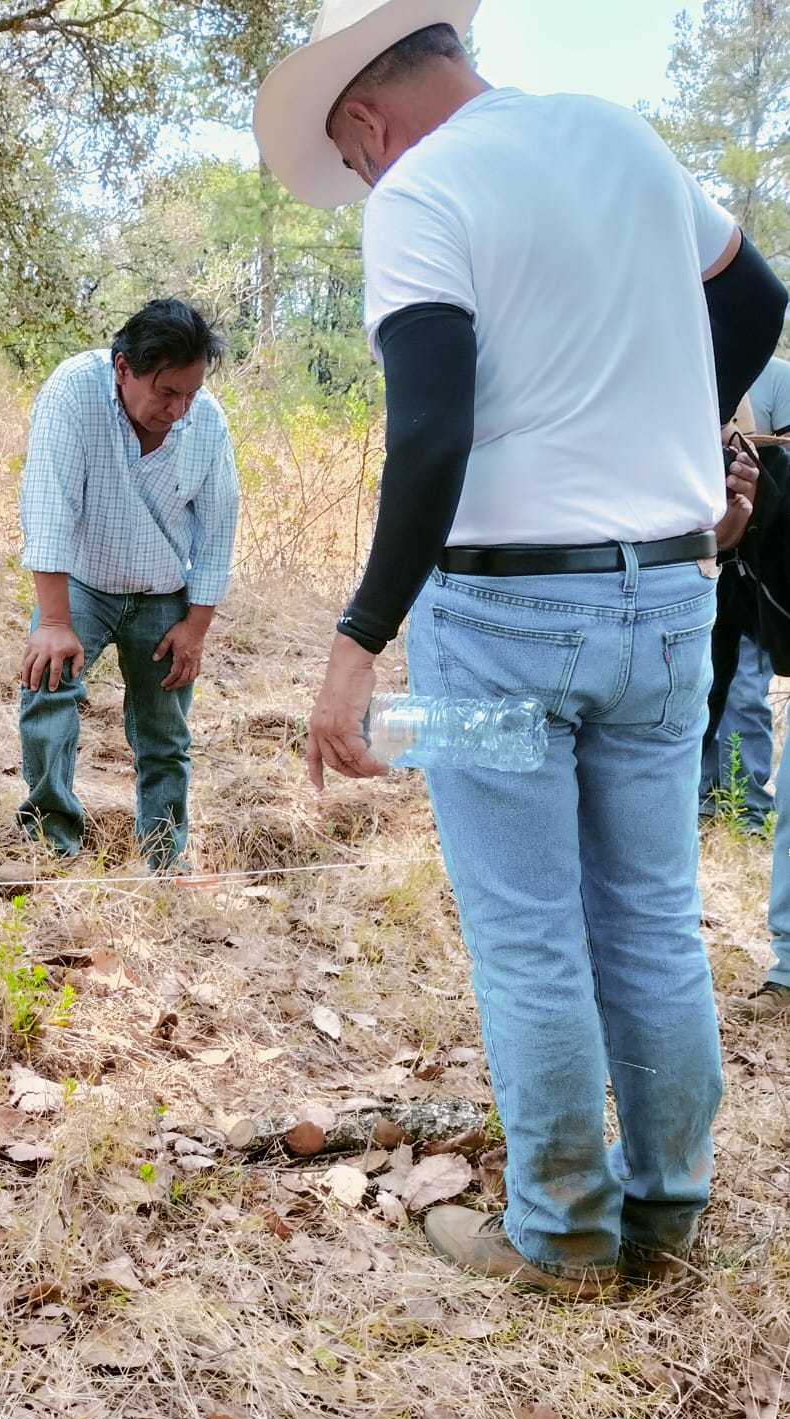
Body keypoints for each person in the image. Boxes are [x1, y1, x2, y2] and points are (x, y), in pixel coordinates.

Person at [256, 0, 786, 1294]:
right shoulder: (620, 136)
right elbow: (760, 297)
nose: (368, 176)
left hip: (500, 621)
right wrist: (682, 435)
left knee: (532, 931)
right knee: (654, 917)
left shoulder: (421, 195)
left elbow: (428, 438)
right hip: (667, 603)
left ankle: (561, 1236)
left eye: (357, 157)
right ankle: (669, 1208)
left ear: (368, 123)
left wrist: (355, 639)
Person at [15, 299, 240, 871]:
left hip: (165, 590)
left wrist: (195, 627)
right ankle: (50, 843)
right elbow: (49, 504)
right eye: (167, 392)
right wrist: (57, 623)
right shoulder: (73, 392)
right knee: (47, 695)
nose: (179, 408)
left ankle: (164, 860)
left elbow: (218, 527)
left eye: (190, 393)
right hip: (82, 583)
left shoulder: (205, 420)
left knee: (166, 734)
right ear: (123, 368)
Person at [699, 360, 790, 828]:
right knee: (704, 683)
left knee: (747, 689)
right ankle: (703, 793)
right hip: (706, 560)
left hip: (754, 551)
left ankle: (747, 806)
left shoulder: (776, 376)